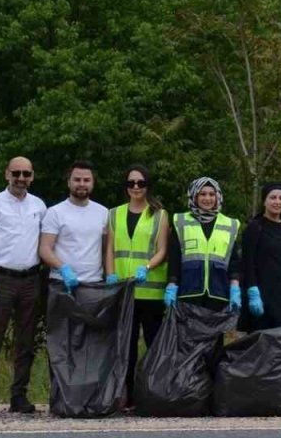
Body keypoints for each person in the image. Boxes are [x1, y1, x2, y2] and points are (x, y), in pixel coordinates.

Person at [0, 156, 46, 415]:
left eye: (26, 174)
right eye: (16, 173)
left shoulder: (39, 205)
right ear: (7, 174)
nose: (21, 179)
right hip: (1, 278)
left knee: (25, 341)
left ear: (32, 176)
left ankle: (19, 395)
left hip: (30, 279)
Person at [102, 164, 169, 408]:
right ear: (126, 187)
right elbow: (109, 248)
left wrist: (147, 267)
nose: (136, 187)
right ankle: (127, 395)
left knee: (153, 344)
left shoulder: (159, 214)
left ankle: (153, 393)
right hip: (123, 290)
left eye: (140, 183)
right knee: (125, 347)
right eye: (131, 183)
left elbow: (162, 249)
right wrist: (110, 274)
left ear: (148, 185)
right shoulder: (114, 214)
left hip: (150, 289)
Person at [164, 177, 243, 312]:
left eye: (212, 194)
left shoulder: (230, 224)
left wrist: (235, 288)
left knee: (215, 333)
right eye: (202, 194)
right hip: (188, 293)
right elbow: (174, 259)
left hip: (218, 294)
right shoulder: (181, 221)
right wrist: (171, 285)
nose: (207, 198)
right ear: (194, 196)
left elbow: (234, 262)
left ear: (218, 197)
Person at [240, 182, 281, 330]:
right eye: (273, 197)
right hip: (263, 298)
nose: (277, 202)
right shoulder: (256, 227)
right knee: (262, 346)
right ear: (264, 201)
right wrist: (252, 291)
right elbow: (247, 263)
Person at [39, 161, 108, 296]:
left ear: (93, 183)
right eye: (77, 179)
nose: (82, 184)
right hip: (61, 283)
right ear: (68, 182)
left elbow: (106, 250)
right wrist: (63, 269)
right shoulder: (55, 212)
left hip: (94, 283)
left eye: (86, 180)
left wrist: (110, 274)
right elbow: (44, 249)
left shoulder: (104, 212)